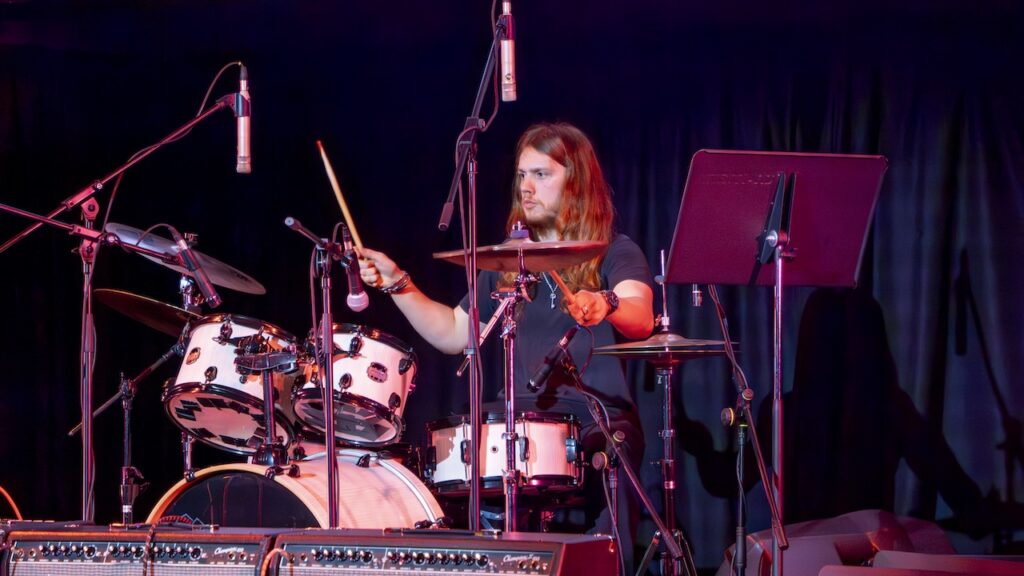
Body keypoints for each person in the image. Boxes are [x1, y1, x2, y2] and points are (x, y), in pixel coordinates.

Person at [358, 122, 654, 568]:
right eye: (521, 176)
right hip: (518, 416)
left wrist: (606, 302)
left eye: (541, 174)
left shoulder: (612, 251)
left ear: (575, 181)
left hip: (596, 417)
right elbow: (455, 333)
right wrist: (399, 284)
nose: (526, 188)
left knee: (615, 452)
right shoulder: (508, 264)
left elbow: (641, 315)